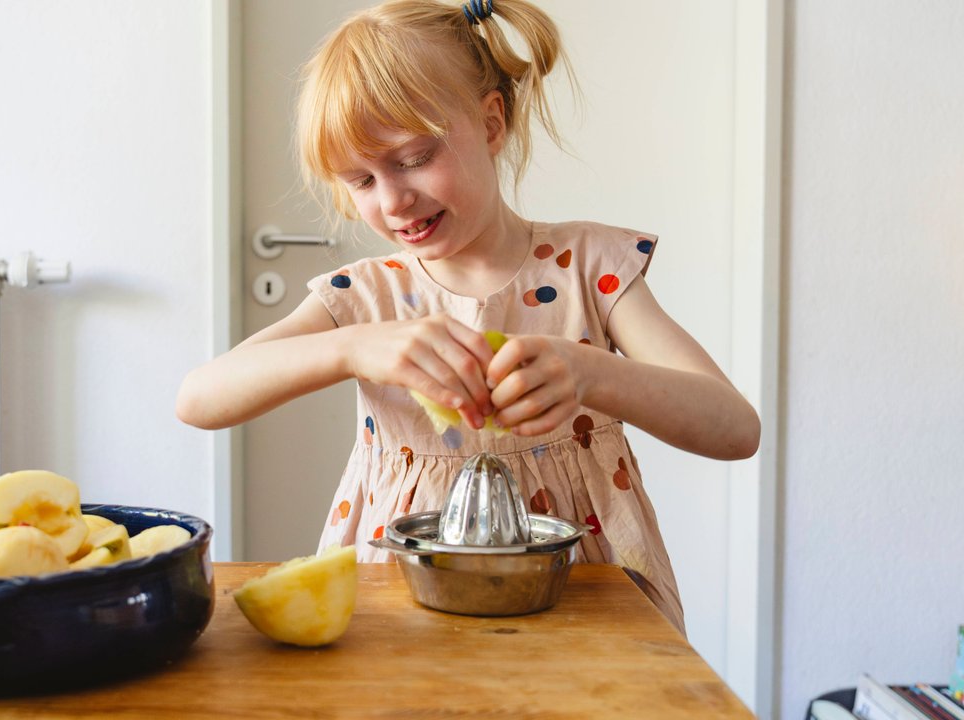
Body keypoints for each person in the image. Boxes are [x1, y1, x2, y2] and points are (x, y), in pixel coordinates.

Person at [176, 0, 759, 635]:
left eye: (413, 158)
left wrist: (590, 373)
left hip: (585, 599)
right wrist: (353, 347)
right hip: (405, 602)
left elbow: (735, 429)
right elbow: (199, 399)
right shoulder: (363, 297)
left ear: (490, 123)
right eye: (361, 180)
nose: (393, 200)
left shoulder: (591, 267)